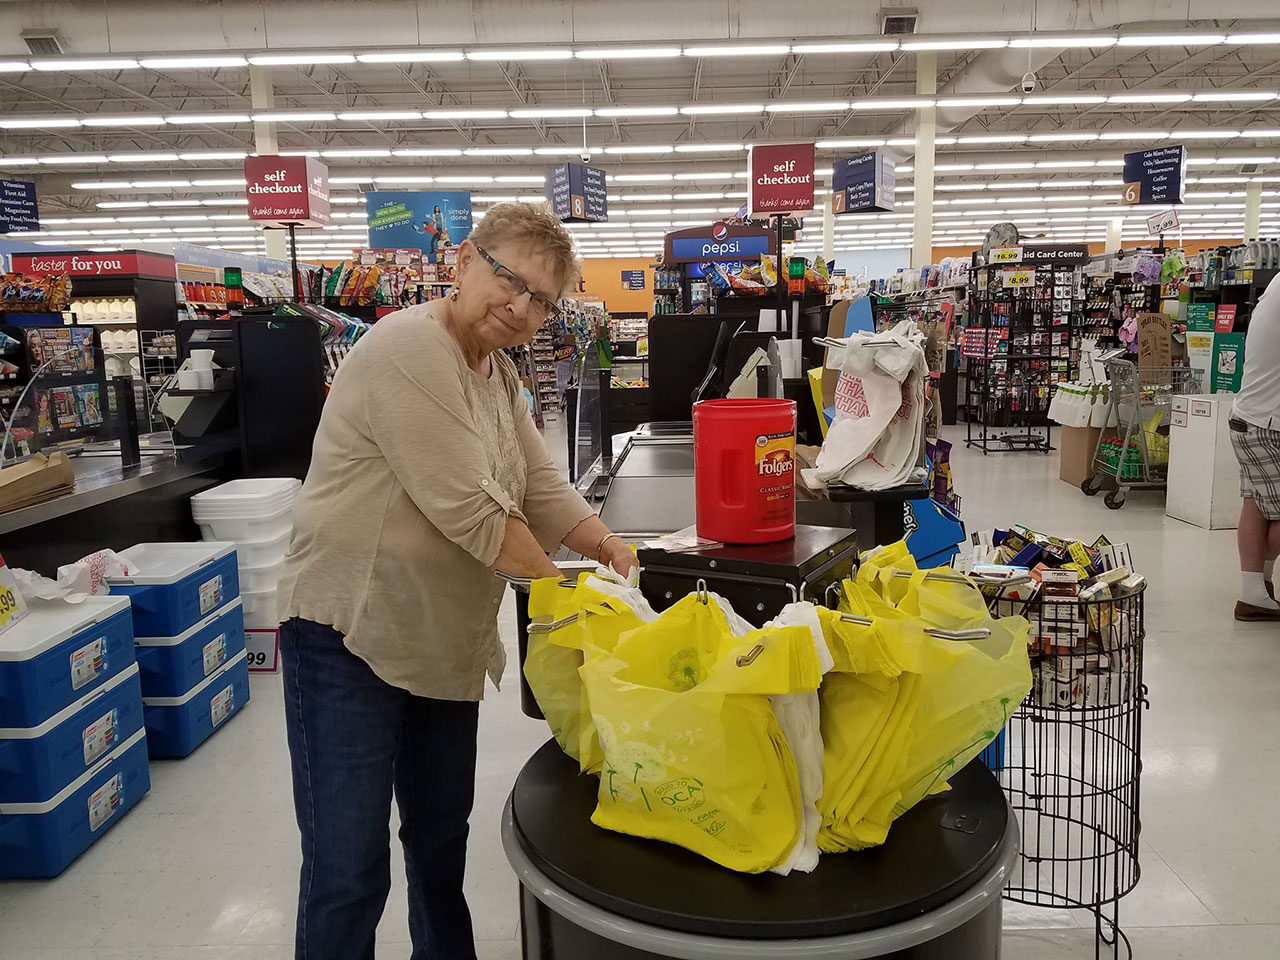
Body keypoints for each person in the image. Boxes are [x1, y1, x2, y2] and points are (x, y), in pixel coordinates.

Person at [275, 201, 636, 960]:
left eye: (542, 299)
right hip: (350, 633)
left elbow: (539, 484)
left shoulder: (498, 376)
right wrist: (574, 600)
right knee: (349, 867)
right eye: (511, 281)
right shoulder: (410, 347)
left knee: (440, 843)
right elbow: (476, 513)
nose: (522, 307)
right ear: (466, 260)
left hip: (439, 641)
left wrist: (607, 547)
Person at [1230, 278, 1280, 621]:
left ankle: (1255, 589)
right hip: (1270, 424)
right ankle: (1253, 594)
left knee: (1257, 504)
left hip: (1248, 416)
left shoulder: (1276, 283)